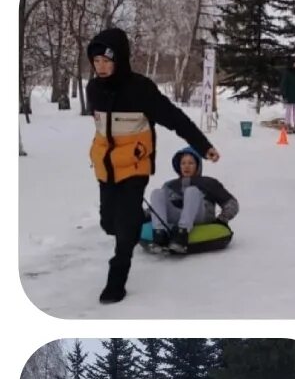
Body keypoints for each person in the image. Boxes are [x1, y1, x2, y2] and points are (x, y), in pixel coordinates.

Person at [86, 27, 219, 303]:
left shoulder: (140, 89)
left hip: (135, 165)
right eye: (96, 61)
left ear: (119, 59)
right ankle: (136, 219)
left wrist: (203, 146)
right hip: (106, 166)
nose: (100, 67)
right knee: (109, 223)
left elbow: (175, 118)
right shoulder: (93, 89)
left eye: (106, 61)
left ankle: (117, 278)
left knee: (123, 229)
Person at [146, 147, 238, 253]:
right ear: (178, 166)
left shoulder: (209, 182)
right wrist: (141, 216)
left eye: (191, 163)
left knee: (192, 191)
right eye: (183, 163)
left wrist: (222, 219)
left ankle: (182, 234)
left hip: (200, 216)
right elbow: (158, 207)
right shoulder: (170, 185)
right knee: (157, 193)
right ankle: (160, 234)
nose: (186, 166)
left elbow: (232, 203)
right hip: (176, 215)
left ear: (198, 165)